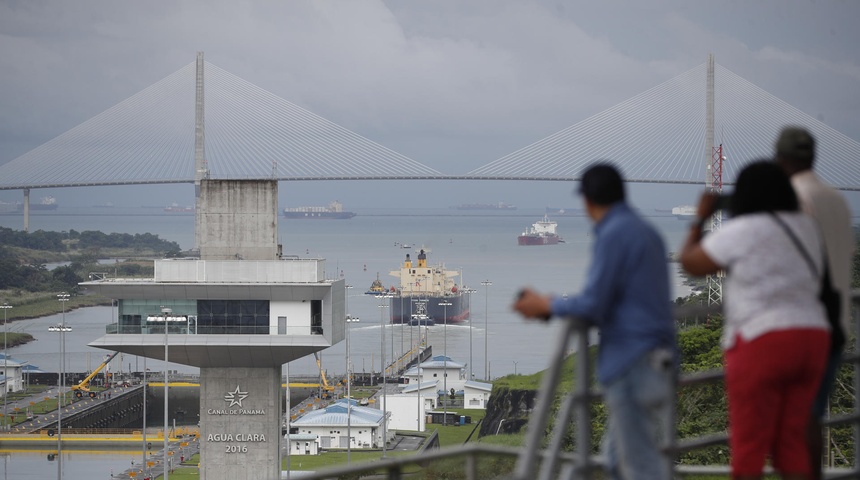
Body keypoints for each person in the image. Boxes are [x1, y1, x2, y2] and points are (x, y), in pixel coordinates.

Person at [513, 163, 676, 480]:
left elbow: (594, 303)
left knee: (640, 467)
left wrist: (546, 303)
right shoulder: (646, 231)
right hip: (659, 356)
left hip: (633, 361)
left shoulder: (614, 235)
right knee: (617, 460)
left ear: (587, 200)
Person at [680, 161, 830, 480]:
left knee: (749, 445)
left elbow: (691, 263)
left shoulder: (741, 230)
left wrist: (699, 218)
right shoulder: (806, 228)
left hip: (763, 342)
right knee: (792, 443)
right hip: (812, 338)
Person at [774, 126, 854, 480]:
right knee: (813, 418)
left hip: (803, 325)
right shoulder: (838, 199)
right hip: (837, 323)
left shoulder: (792, 198)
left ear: (781, 160)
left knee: (795, 423)